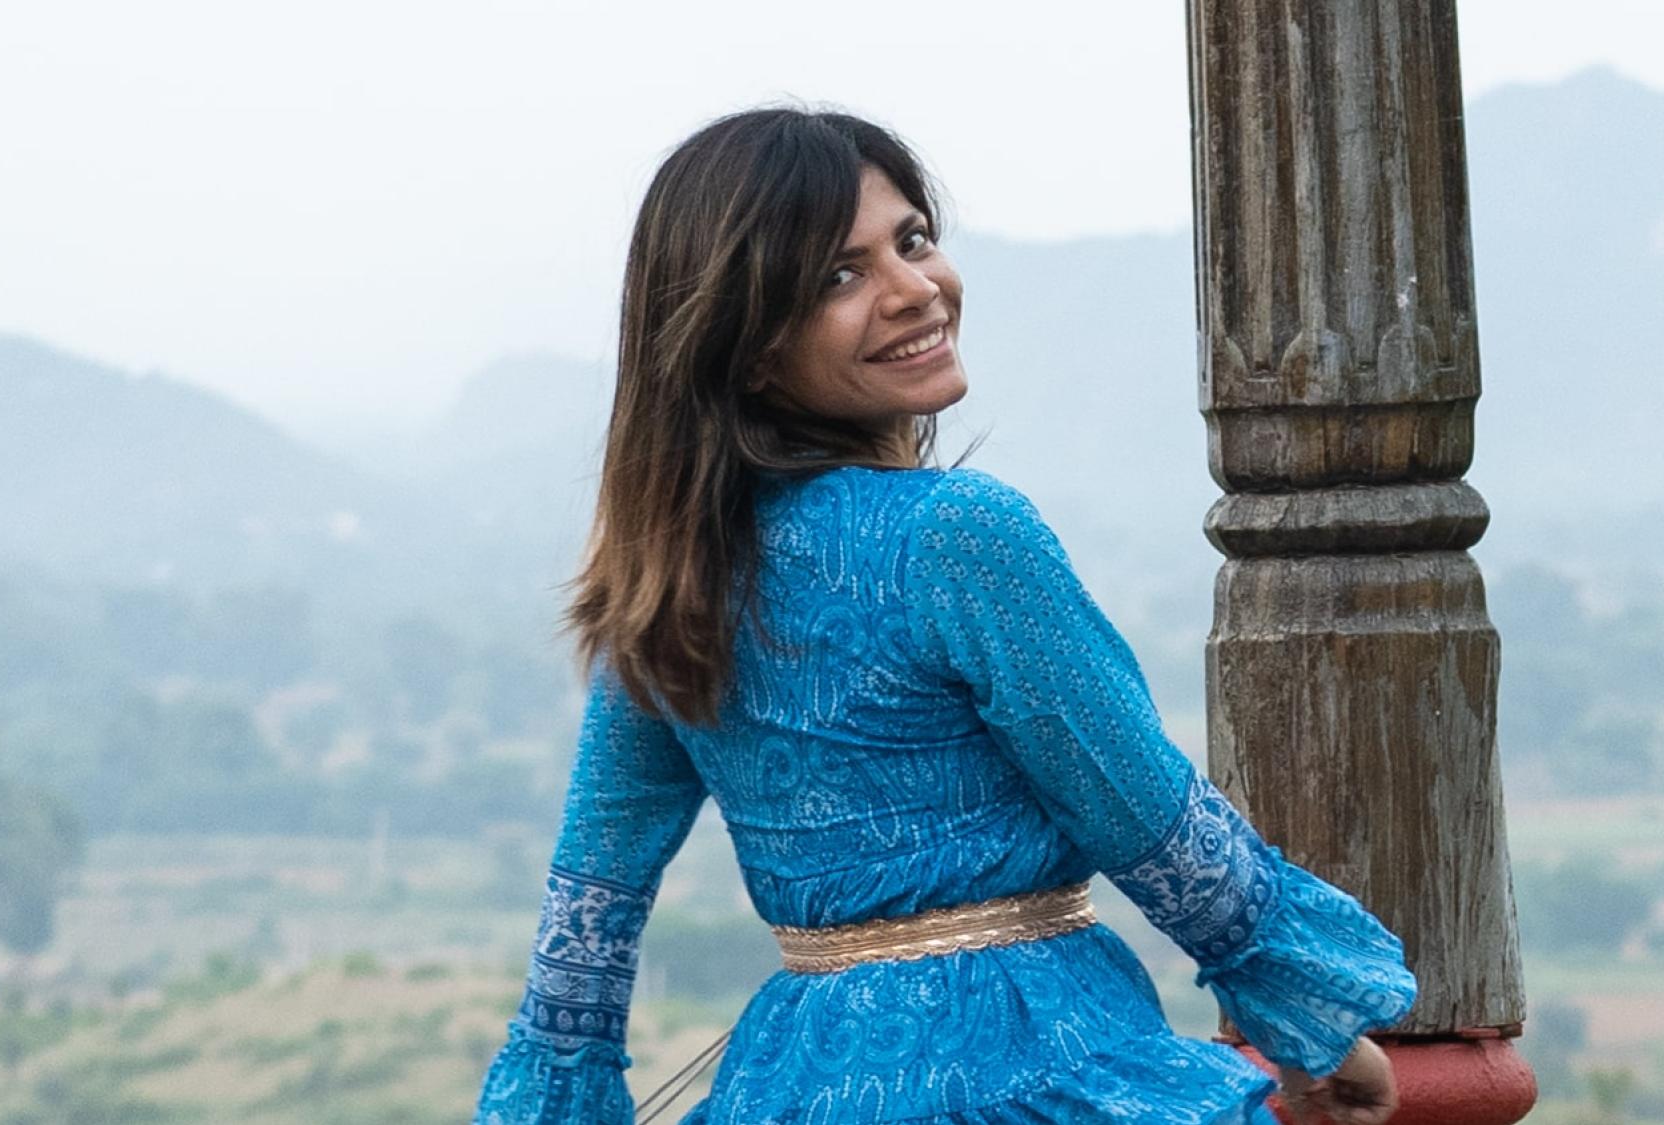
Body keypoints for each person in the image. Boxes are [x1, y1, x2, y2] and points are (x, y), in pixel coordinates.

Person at [472, 106, 1417, 1125]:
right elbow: (1139, 809)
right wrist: (1309, 1021)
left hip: (793, 1083)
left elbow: (590, 908)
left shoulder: (669, 581)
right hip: (1026, 1055)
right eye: (839, 276)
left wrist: (558, 1095)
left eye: (911, 241)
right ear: (746, 346)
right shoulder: (958, 534)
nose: (914, 290)